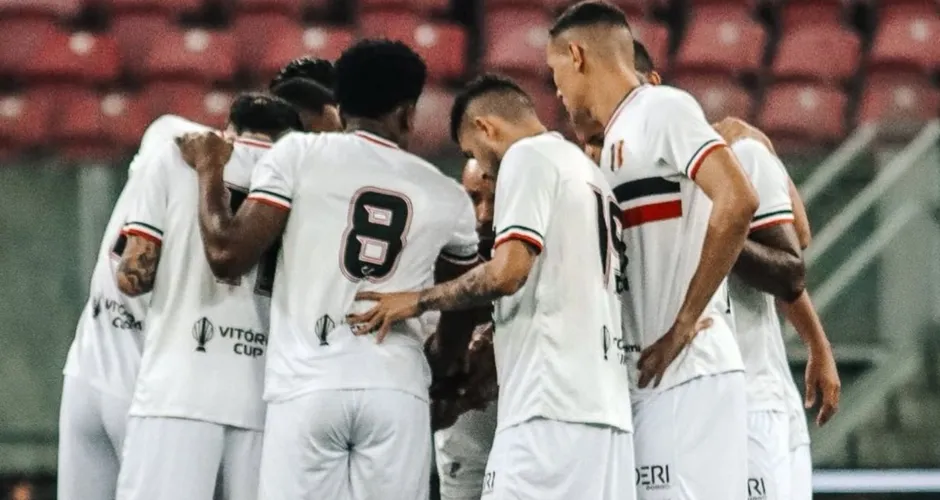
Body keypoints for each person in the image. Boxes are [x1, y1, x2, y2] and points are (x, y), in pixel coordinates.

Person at [179, 39, 480, 500]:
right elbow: (465, 296)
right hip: (395, 387)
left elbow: (227, 255)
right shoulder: (446, 193)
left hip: (307, 385)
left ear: (339, 107)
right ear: (407, 114)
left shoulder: (298, 154)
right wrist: (440, 363)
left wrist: (208, 171)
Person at [56, 56, 340, 500]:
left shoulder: (171, 136)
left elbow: (134, 271)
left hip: (99, 360)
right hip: (187, 380)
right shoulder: (309, 188)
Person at [348, 74, 638, 500]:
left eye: (472, 153)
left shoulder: (526, 157)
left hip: (547, 410)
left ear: (485, 127)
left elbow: (506, 274)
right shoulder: (587, 173)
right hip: (606, 419)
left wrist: (418, 301)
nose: (483, 168)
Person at [547, 2, 760, 499]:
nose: (556, 90)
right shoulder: (612, 142)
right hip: (645, 377)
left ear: (576, 55)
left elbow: (738, 199)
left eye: (554, 73)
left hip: (688, 374)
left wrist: (685, 321)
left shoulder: (661, 108)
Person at [113, 94, 305, 500]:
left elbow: (133, 278)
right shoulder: (302, 178)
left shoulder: (175, 158)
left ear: (229, 127)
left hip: (177, 390)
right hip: (266, 399)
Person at [432, 159, 499, 500]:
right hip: (460, 428)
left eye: (495, 199)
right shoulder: (437, 252)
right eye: (473, 198)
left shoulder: (538, 254)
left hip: (520, 421)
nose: (484, 215)